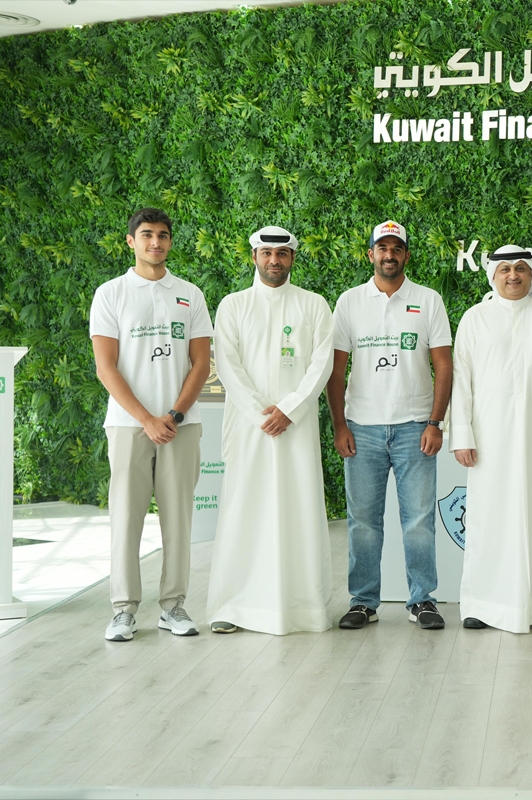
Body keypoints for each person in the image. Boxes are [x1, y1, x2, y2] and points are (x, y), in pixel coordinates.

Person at [90, 208, 212, 642]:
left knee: (178, 519)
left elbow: (201, 363)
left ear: (170, 241)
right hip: (128, 426)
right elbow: (106, 367)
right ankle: (123, 611)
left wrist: (173, 416)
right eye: (146, 235)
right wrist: (146, 419)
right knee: (126, 518)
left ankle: (173, 606)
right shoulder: (111, 293)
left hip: (182, 425)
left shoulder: (190, 294)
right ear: (131, 241)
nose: (155, 242)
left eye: (162, 235)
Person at [206, 226, 336, 635]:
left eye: (281, 254)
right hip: (250, 428)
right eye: (266, 253)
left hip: (296, 427)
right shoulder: (233, 305)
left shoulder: (314, 305)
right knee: (244, 509)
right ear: (254, 257)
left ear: (292, 258)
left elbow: (323, 364)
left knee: (299, 510)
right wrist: (262, 413)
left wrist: (290, 410)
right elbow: (227, 365)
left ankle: (304, 609)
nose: (274, 260)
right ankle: (233, 607)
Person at [328, 221, 452, 631]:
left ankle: (422, 600)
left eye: (396, 248)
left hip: (416, 427)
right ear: (370, 254)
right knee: (363, 522)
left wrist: (435, 422)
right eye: (382, 247)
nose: (389, 254)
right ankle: (363, 602)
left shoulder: (428, 300)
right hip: (362, 428)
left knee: (418, 521)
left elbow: (443, 365)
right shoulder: (349, 302)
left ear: (406, 255)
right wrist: (340, 425)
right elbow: (336, 370)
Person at [451, 245, 532, 633]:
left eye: (520, 268)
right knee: (488, 519)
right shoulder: (475, 318)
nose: (513, 275)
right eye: (504, 269)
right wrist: (462, 434)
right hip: (488, 438)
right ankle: (482, 604)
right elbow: (462, 380)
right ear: (493, 276)